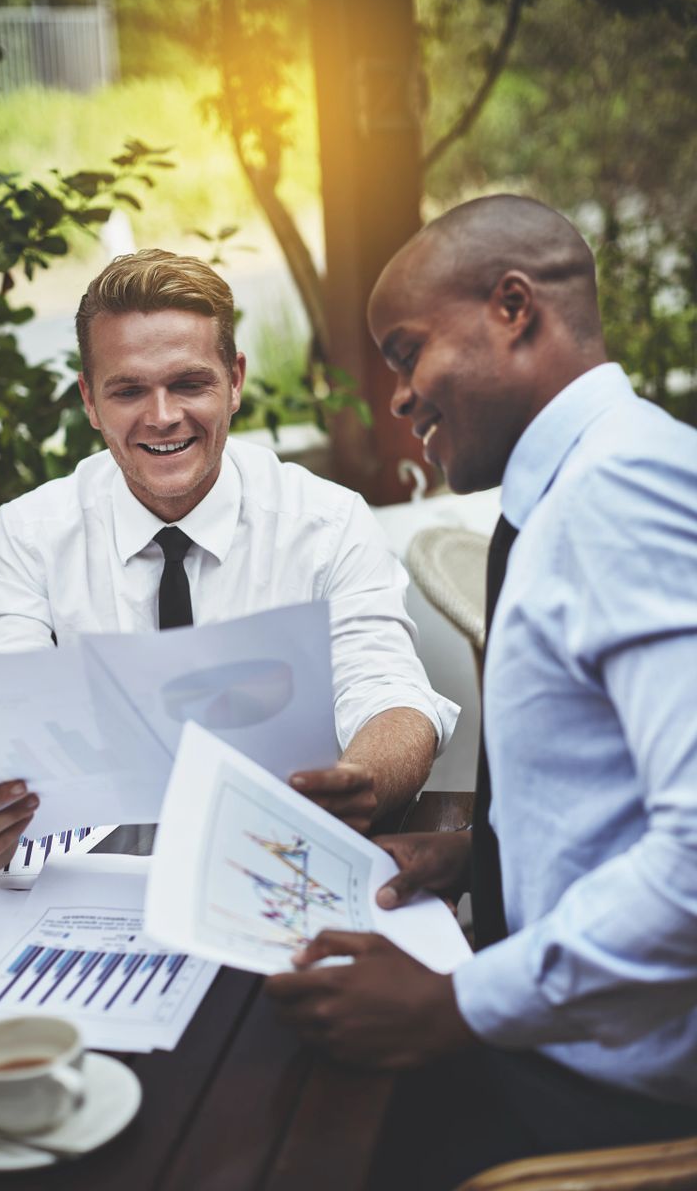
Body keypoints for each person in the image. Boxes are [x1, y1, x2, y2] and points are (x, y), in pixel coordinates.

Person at [265, 195, 697, 1188]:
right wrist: (478, 857)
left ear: (512, 307)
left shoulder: (620, 494)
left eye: (407, 351)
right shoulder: (581, 488)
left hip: (609, 1086)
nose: (400, 397)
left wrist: (455, 1006)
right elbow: (620, 785)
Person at [0, 249, 458, 873]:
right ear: (91, 402)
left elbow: (390, 696)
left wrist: (356, 782)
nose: (162, 417)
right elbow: (1, 710)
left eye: (189, 383)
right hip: (98, 883)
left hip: (279, 861)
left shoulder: (327, 521)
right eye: (128, 390)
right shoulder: (31, 533)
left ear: (234, 381)